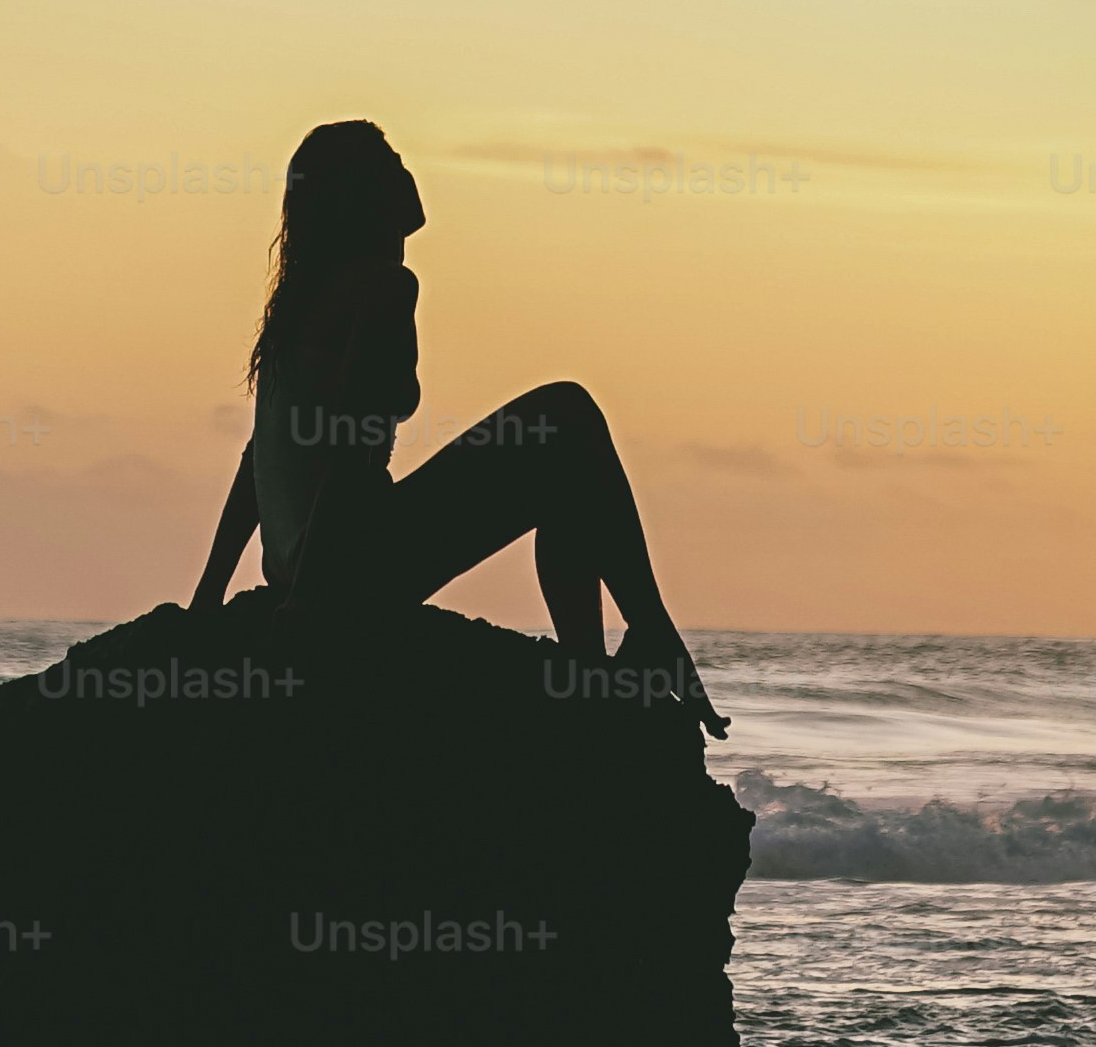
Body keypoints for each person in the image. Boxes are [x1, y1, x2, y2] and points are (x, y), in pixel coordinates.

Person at [187, 120, 727, 736]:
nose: (406, 171)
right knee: (568, 415)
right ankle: (640, 643)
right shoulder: (383, 287)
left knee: (560, 456)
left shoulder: (300, 307)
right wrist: (308, 606)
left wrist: (209, 598)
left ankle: (598, 669)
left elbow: (261, 456)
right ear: (365, 193)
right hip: (352, 568)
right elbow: (348, 446)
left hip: (309, 566)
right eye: (389, 161)